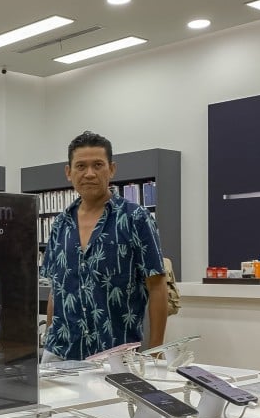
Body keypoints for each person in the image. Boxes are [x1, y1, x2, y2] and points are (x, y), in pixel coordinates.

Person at [40, 131, 168, 361]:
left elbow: (157, 285)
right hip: (59, 351)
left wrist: (156, 349)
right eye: (81, 166)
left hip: (115, 352)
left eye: (98, 165)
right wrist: (49, 335)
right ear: (68, 172)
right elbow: (55, 289)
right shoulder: (60, 224)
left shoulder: (136, 218)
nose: (89, 173)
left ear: (112, 169)